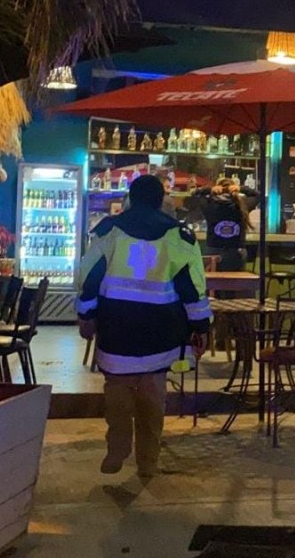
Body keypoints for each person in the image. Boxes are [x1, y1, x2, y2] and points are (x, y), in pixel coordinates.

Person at [77, 175, 212, 477]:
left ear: (130, 197)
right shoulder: (180, 236)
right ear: (161, 199)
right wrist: (201, 327)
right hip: (161, 331)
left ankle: (117, 447)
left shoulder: (109, 231)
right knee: (153, 399)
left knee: (117, 392)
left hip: (116, 327)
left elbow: (90, 278)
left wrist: (86, 315)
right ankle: (148, 461)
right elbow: (192, 289)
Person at [186, 178, 260, 271]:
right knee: (236, 280)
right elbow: (258, 195)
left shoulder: (210, 204)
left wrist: (210, 189)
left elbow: (195, 193)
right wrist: (240, 188)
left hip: (213, 249)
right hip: (236, 250)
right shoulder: (242, 205)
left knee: (213, 280)